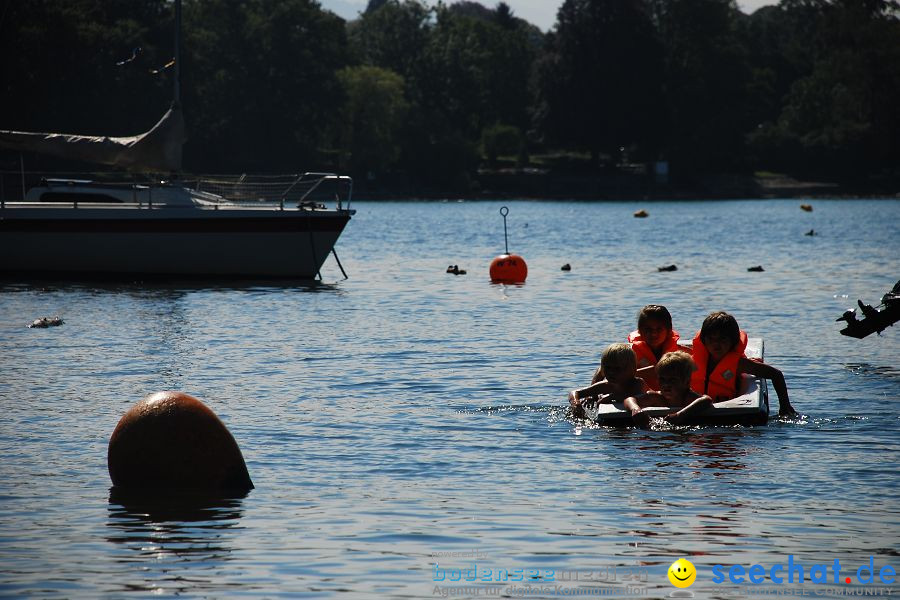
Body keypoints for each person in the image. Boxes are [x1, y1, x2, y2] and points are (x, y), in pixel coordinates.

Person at [691, 311, 796, 416]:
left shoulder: (740, 364)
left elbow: (776, 374)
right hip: (695, 408)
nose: (716, 344)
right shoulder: (692, 361)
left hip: (725, 413)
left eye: (722, 339)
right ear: (703, 340)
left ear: (733, 341)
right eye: (711, 339)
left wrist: (784, 406)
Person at [589, 305, 684, 389]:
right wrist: (592, 391)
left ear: (669, 330)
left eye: (659, 329)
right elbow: (602, 370)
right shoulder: (630, 351)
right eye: (648, 329)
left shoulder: (679, 353)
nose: (653, 334)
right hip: (640, 394)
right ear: (640, 331)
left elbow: (661, 370)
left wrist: (625, 375)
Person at [624, 351, 712, 428]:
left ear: (686, 382)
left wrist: (680, 415)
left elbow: (706, 400)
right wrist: (635, 409)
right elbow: (629, 399)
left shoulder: (688, 397)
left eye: (672, 380)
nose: (666, 384)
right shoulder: (656, 397)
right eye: (662, 379)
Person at [569, 343, 646, 419]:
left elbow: (636, 397)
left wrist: (612, 397)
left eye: (617, 369)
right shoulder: (606, 385)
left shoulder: (638, 383)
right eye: (608, 368)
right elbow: (574, 393)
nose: (611, 372)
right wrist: (576, 403)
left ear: (631, 369)